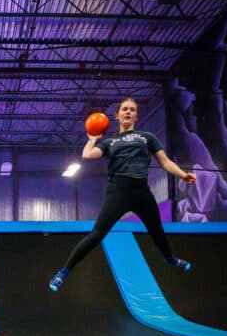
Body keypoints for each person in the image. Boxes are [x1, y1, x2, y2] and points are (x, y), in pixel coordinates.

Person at [49, 97, 197, 292]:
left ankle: (169, 258)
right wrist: (93, 139)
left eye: (132, 110)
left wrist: (182, 174)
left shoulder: (147, 137)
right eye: (124, 109)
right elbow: (87, 155)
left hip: (142, 192)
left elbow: (165, 162)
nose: (128, 112)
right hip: (118, 192)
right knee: (96, 234)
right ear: (117, 115)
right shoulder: (110, 142)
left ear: (136, 115)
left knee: (158, 232)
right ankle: (64, 271)